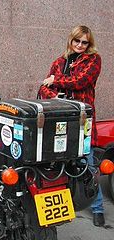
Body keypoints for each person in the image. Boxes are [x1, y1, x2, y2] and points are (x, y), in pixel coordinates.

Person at [38, 25, 105, 227]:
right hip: (59, 120)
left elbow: (80, 81)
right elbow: (43, 87)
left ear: (89, 43)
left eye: (85, 42)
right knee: (56, 161)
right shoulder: (59, 62)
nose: (80, 45)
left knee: (88, 163)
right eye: (77, 41)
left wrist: (55, 80)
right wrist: (55, 95)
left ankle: (98, 208)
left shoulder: (93, 60)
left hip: (82, 120)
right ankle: (60, 204)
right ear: (71, 40)